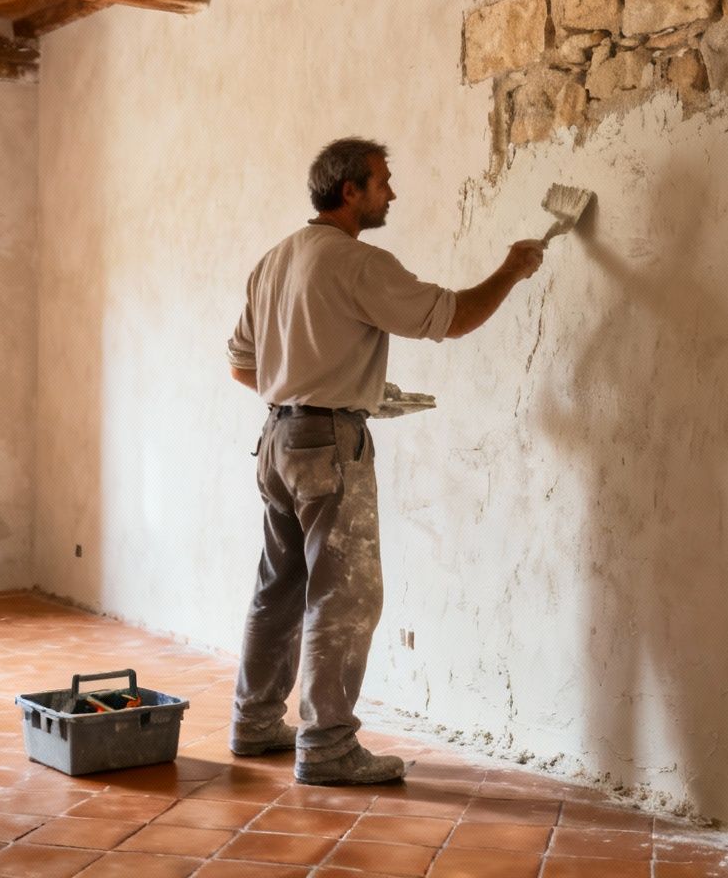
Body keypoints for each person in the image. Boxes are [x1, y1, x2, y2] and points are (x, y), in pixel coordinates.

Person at [225, 137, 547, 785]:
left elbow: (241, 365)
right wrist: (512, 269)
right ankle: (327, 746)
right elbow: (452, 319)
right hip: (327, 448)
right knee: (345, 597)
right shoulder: (355, 262)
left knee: (279, 588)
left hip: (277, 441)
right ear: (351, 191)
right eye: (382, 182)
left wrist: (332, 388)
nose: (391, 193)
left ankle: (256, 724)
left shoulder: (275, 259)